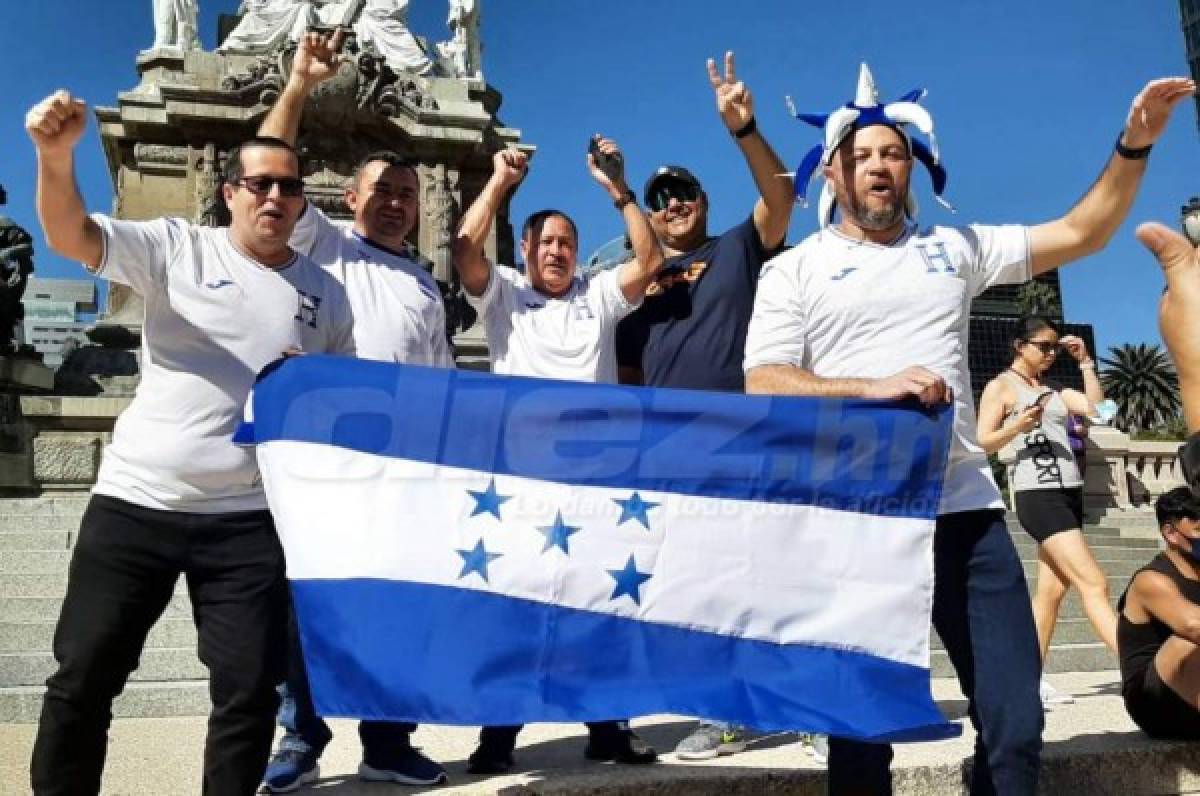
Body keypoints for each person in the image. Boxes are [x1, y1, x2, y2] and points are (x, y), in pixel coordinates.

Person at [742, 62, 1193, 795]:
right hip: (857, 521)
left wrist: (1134, 142)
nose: (880, 166)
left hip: (967, 518)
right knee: (860, 739)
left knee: (1014, 723)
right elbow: (765, 382)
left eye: (893, 153)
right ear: (832, 172)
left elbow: (1085, 230)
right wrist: (872, 387)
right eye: (862, 156)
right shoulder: (795, 270)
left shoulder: (955, 249)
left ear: (912, 164)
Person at [24, 91, 356, 796]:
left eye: (288, 187)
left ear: (302, 203)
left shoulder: (328, 296)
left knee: (247, 697)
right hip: (135, 505)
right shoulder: (175, 246)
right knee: (82, 680)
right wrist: (56, 157)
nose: (273, 196)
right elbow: (70, 235)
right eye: (258, 183)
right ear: (230, 193)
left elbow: (335, 409)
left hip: (246, 524)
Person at [253, 29, 452, 791]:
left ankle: (388, 741)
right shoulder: (324, 245)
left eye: (408, 194)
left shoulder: (427, 286)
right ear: (349, 199)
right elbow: (271, 157)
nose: (398, 205)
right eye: (384, 193)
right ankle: (300, 738)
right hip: (329, 461)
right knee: (314, 604)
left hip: (404, 466)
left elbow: (438, 381)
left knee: (395, 606)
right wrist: (301, 83)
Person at [451, 135, 666, 773]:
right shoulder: (504, 293)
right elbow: (462, 249)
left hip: (593, 484)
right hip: (520, 486)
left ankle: (607, 728)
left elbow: (649, 259)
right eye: (547, 242)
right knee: (515, 611)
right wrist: (498, 183)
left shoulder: (596, 296)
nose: (558, 251)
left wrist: (619, 189)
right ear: (526, 249)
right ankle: (497, 737)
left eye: (567, 243)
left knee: (597, 607)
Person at [612, 51, 796, 761]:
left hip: (745, 441)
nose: (672, 204)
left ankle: (766, 705)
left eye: (683, 192)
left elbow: (779, 197)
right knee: (697, 589)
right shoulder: (632, 296)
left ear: (704, 202)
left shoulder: (736, 251)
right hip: (667, 460)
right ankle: (732, 705)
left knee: (756, 577)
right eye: (660, 199)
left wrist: (744, 130)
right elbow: (625, 387)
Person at [976, 317, 1112, 707]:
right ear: (1021, 345)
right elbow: (982, 442)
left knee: (1052, 591)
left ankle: (1027, 680)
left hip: (1068, 492)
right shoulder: (1002, 386)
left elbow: (1103, 412)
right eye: (1044, 347)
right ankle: (1146, 671)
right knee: (1094, 583)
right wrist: (1017, 426)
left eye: (1056, 348)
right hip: (1038, 494)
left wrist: (1085, 363)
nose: (1051, 354)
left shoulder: (1055, 391)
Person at [1117, 486, 1200, 739]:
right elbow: (1193, 625)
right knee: (1189, 640)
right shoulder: (1151, 580)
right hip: (1154, 701)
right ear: (1170, 533)